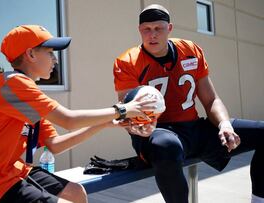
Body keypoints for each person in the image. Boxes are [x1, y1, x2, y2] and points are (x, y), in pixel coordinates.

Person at [0, 24, 156, 203]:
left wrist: (105, 123)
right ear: (30, 54)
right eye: (49, 52)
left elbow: (55, 145)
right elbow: (68, 120)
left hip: (10, 171)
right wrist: (122, 110)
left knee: (75, 193)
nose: (55, 60)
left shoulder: (21, 93)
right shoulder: (11, 84)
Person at [113, 4, 264, 203]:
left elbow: (211, 100)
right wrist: (136, 128)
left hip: (192, 127)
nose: (152, 35)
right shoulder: (128, 62)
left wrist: (224, 124)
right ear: (139, 31)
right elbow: (128, 113)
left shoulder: (190, 50)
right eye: (146, 30)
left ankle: (258, 199)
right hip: (157, 131)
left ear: (170, 28)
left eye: (158, 28)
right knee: (167, 147)